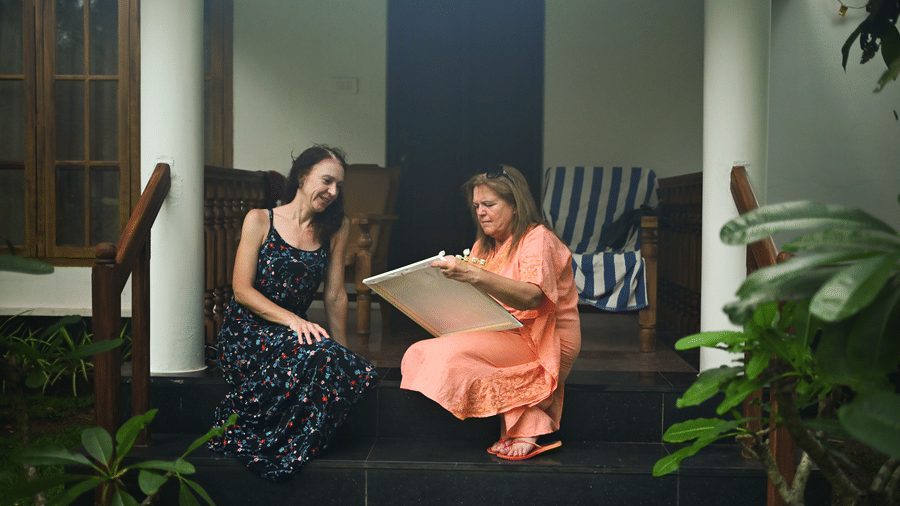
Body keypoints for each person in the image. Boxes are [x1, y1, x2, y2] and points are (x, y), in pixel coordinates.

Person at [208, 145, 378, 480]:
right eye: (326, 181)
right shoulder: (260, 219)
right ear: (302, 176)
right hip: (247, 333)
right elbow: (241, 290)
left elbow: (334, 294)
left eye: (338, 187)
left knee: (337, 362)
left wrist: (340, 350)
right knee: (318, 357)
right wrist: (294, 320)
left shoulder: (335, 227)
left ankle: (305, 441)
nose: (332, 192)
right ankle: (283, 444)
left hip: (293, 332)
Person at [400, 164, 581, 460]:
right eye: (476, 206)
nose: (481, 212)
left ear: (514, 205)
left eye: (489, 204)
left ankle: (528, 425)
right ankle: (520, 422)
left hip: (544, 338)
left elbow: (532, 297)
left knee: (449, 355)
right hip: (504, 331)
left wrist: (471, 275)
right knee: (421, 352)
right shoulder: (484, 246)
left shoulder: (538, 238)